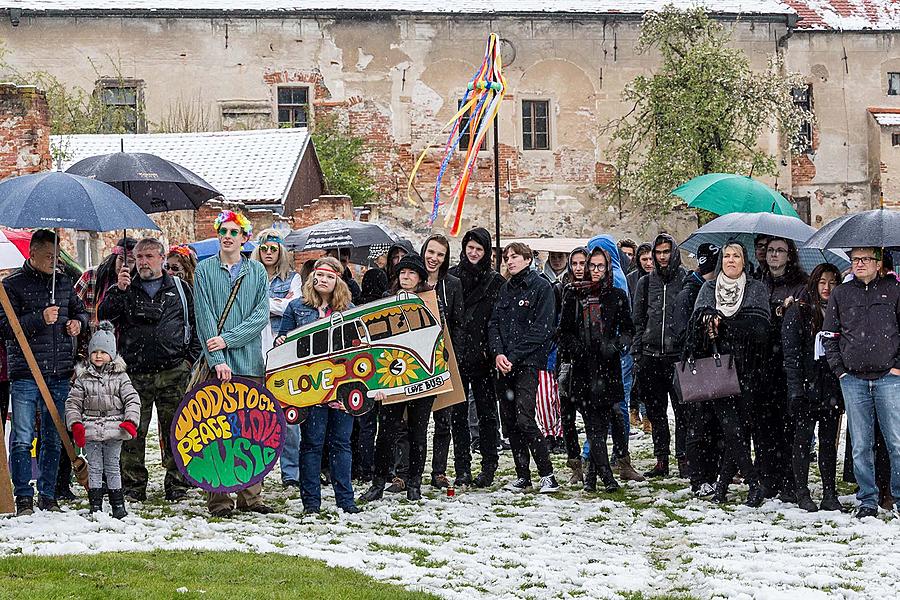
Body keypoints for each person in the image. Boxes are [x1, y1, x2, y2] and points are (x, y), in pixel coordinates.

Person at [98, 237, 201, 502]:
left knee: (177, 430)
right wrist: (118, 291)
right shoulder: (125, 287)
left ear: (162, 258)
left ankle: (177, 483)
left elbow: (196, 324)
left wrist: (189, 361)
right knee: (132, 432)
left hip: (174, 371)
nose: (142, 262)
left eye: (149, 257)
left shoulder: (180, 287)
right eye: (138, 257)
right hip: (135, 373)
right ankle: (133, 486)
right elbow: (105, 318)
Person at [0, 229, 89, 516]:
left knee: (54, 436)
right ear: (32, 254)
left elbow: (81, 312)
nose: (54, 261)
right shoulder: (12, 286)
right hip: (26, 372)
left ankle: (48, 494)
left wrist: (78, 323)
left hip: (59, 371)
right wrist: (39, 319)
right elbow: (4, 328)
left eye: (56, 255)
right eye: (48, 256)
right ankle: (24, 496)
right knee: (24, 436)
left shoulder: (63, 283)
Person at [193, 210, 274, 517]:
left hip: (249, 364)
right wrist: (217, 359)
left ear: (244, 238)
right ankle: (219, 500)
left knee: (252, 432)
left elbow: (259, 317)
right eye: (223, 231)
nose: (227, 237)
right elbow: (204, 317)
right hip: (218, 367)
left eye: (233, 232)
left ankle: (251, 497)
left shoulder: (257, 273)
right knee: (216, 431)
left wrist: (228, 340)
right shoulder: (204, 270)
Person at [275, 256, 360, 514]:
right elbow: (285, 339)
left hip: (342, 384)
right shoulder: (297, 307)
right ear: (312, 278)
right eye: (319, 276)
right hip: (310, 386)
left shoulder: (349, 309)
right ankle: (311, 502)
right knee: (312, 442)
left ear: (338, 281)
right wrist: (281, 342)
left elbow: (358, 348)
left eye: (329, 277)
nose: (323, 280)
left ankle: (345, 499)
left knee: (341, 442)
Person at [687, 241, 768, 507]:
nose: (731, 260)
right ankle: (753, 483)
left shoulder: (755, 288)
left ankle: (722, 487)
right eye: (727, 256)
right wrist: (708, 321)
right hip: (717, 368)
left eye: (737, 255)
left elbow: (760, 328)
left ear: (745, 261)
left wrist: (727, 324)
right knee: (731, 427)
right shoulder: (709, 288)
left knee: (740, 429)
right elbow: (694, 325)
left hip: (748, 369)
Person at [823, 247, 900, 519]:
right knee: (860, 445)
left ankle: (898, 498)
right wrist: (839, 369)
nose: (860, 264)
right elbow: (829, 334)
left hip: (888, 378)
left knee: (896, 442)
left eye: (866, 259)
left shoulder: (893, 290)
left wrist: (897, 367)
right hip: (853, 379)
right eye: (856, 259)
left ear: (878, 264)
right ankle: (867, 499)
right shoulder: (841, 294)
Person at [360, 254, 437, 503]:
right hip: (392, 376)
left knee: (418, 432)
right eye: (402, 272)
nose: (406, 276)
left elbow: (437, 335)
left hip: (421, 375)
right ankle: (378, 482)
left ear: (420, 278)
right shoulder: (386, 301)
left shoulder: (428, 302)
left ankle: (414, 483)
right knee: (387, 433)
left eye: (411, 273)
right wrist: (379, 383)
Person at [557, 247, 635, 492]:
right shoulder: (573, 294)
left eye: (601, 266)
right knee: (593, 424)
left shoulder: (617, 295)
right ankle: (606, 475)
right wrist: (578, 348)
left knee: (604, 422)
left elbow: (628, 330)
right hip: (582, 369)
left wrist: (614, 345)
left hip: (607, 367)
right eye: (593, 266)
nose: (596, 271)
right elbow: (563, 331)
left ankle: (592, 475)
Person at [488, 242, 560, 493]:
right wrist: (498, 353)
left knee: (525, 418)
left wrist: (513, 356)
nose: (510, 261)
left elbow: (542, 330)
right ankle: (522, 474)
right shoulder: (506, 289)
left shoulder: (541, 287)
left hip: (527, 364)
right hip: (504, 364)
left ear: (528, 259)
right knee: (509, 422)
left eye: (515, 256)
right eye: (507, 257)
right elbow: (494, 323)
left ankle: (547, 473)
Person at [782, 263, 844, 512]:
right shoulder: (799, 311)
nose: (827, 287)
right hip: (806, 388)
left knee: (829, 442)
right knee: (803, 441)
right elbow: (791, 354)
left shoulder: (840, 312)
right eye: (822, 282)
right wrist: (796, 389)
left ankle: (830, 491)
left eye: (832, 282)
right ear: (814, 283)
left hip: (830, 387)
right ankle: (802, 491)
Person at [448, 227, 505, 488]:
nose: (473, 253)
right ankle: (462, 467)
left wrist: (493, 350)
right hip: (457, 356)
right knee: (458, 415)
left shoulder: (495, 281)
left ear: (486, 252)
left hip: (483, 356)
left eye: (479, 249)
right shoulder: (452, 277)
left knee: (486, 413)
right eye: (470, 247)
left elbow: (498, 319)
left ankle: (489, 464)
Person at [64, 321, 140, 518]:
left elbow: (132, 399)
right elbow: (73, 403)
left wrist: (130, 421)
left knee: (113, 467)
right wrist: (76, 424)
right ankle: (95, 505)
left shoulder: (121, 377)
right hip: (90, 428)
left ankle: (118, 505)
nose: (98, 356)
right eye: (95, 351)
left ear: (112, 354)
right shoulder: (82, 379)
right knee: (95, 468)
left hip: (115, 428)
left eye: (103, 352)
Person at [632, 233, 689, 477]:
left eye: (666, 252)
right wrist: (638, 351)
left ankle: (684, 458)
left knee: (683, 412)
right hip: (651, 354)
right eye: (659, 253)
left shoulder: (686, 280)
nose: (663, 257)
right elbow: (638, 319)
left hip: (678, 356)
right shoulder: (646, 282)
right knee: (656, 412)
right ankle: (661, 459)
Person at [251, 229, 302, 488]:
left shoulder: (292, 279)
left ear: (280, 251)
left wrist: (262, 302)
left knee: (289, 415)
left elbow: (291, 306)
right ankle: (254, 470)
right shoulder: (249, 276)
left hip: (282, 354)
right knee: (255, 415)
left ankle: (291, 472)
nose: (268, 252)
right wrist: (274, 303)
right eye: (264, 248)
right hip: (254, 352)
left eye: (273, 248)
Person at [761, 237, 808, 502]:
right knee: (766, 426)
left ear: (790, 255)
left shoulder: (800, 286)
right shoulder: (759, 283)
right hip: (763, 363)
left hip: (789, 364)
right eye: (770, 251)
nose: (774, 255)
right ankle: (769, 478)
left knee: (790, 425)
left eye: (780, 251)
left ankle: (790, 481)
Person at [674, 243, 722, 497]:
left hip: (714, 365)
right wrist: (704, 332)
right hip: (696, 365)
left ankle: (712, 474)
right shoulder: (690, 292)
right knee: (697, 424)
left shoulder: (718, 289)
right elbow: (682, 334)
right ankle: (698, 476)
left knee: (714, 424)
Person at [421, 234, 467, 488]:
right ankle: (404, 471)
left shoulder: (452, 284)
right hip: (415, 358)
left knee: (443, 419)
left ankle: (438, 470)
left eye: (440, 254)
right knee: (412, 421)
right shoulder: (412, 281)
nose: (434, 258)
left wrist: (453, 354)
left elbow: (459, 324)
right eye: (431, 252)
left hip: (443, 357)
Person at [556, 247, 588, 484]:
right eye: (574, 263)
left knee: (591, 415)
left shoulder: (596, 290)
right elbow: (558, 326)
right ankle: (574, 463)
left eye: (582, 263)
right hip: (567, 360)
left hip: (591, 362)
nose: (578, 268)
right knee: (567, 416)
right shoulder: (561, 290)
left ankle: (594, 461)